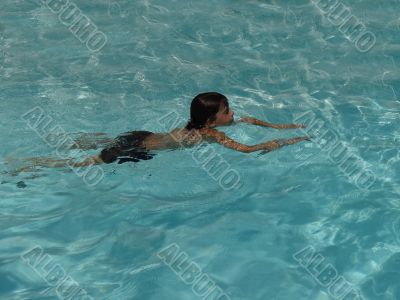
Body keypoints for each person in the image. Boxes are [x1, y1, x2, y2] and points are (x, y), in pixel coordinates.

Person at [13, 92, 310, 171]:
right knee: (83, 165)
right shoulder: (210, 134)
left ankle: (69, 142)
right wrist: (280, 142)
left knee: (103, 142)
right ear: (212, 121)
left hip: (142, 134)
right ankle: (34, 165)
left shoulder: (201, 124)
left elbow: (247, 120)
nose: (232, 114)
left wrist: (279, 125)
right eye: (226, 112)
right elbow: (248, 150)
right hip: (138, 149)